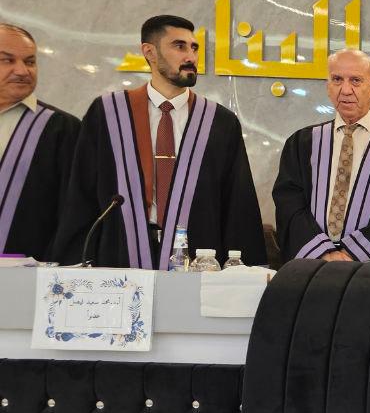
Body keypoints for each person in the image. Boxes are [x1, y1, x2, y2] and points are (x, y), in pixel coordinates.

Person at [54, 15, 266, 268]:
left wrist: (244, 271)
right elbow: (81, 195)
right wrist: (72, 263)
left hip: (198, 255)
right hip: (119, 253)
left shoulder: (220, 122)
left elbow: (237, 203)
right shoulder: (108, 114)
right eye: (179, 46)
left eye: (194, 48)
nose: (191, 56)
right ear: (150, 52)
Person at [273, 49, 370, 261]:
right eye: (337, 79)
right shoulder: (302, 143)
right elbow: (289, 203)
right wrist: (324, 253)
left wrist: (350, 254)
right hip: (312, 262)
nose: (345, 90)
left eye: (356, 80)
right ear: (328, 87)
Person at [0, 23, 80, 260]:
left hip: (27, 273)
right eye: (6, 60)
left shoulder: (62, 129)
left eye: (30, 61)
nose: (22, 71)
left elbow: (73, 215)